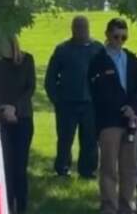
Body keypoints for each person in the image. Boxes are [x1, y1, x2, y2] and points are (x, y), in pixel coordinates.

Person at [89, 18, 137, 214]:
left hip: (132, 123)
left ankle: (126, 205)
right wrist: (123, 107)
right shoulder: (98, 61)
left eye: (124, 36)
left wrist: (134, 109)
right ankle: (108, 206)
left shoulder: (132, 60)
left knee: (130, 167)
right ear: (107, 35)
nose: (120, 40)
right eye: (116, 36)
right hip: (109, 121)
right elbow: (100, 92)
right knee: (108, 166)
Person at [44, 15, 103, 179]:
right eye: (78, 27)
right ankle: (62, 168)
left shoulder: (97, 48)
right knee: (65, 138)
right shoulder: (63, 49)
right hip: (67, 103)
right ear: (72, 29)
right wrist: (57, 100)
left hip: (91, 102)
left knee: (90, 139)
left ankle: (88, 170)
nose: (81, 30)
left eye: (84, 27)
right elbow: (51, 78)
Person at [0, 36, 36, 214]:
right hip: (1, 117)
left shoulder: (27, 61)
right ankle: (6, 204)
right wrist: (3, 108)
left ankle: (22, 205)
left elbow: (30, 88)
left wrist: (15, 108)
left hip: (23, 118)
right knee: (5, 164)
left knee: (20, 164)